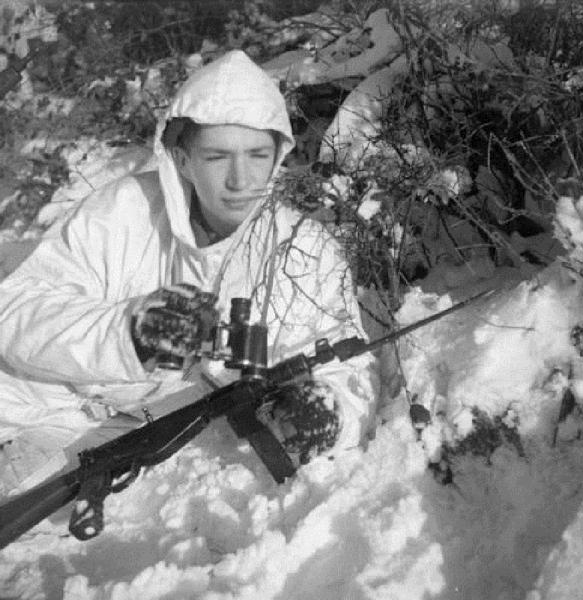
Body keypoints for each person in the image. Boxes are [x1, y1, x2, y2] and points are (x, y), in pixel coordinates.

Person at [0, 50, 379, 494]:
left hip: (127, 438)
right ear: (183, 160)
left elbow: (351, 366)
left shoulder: (304, 251)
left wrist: (327, 411)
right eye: (218, 157)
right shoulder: (123, 210)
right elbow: (16, 312)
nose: (240, 180)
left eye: (258, 155)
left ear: (279, 156)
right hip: (31, 401)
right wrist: (128, 334)